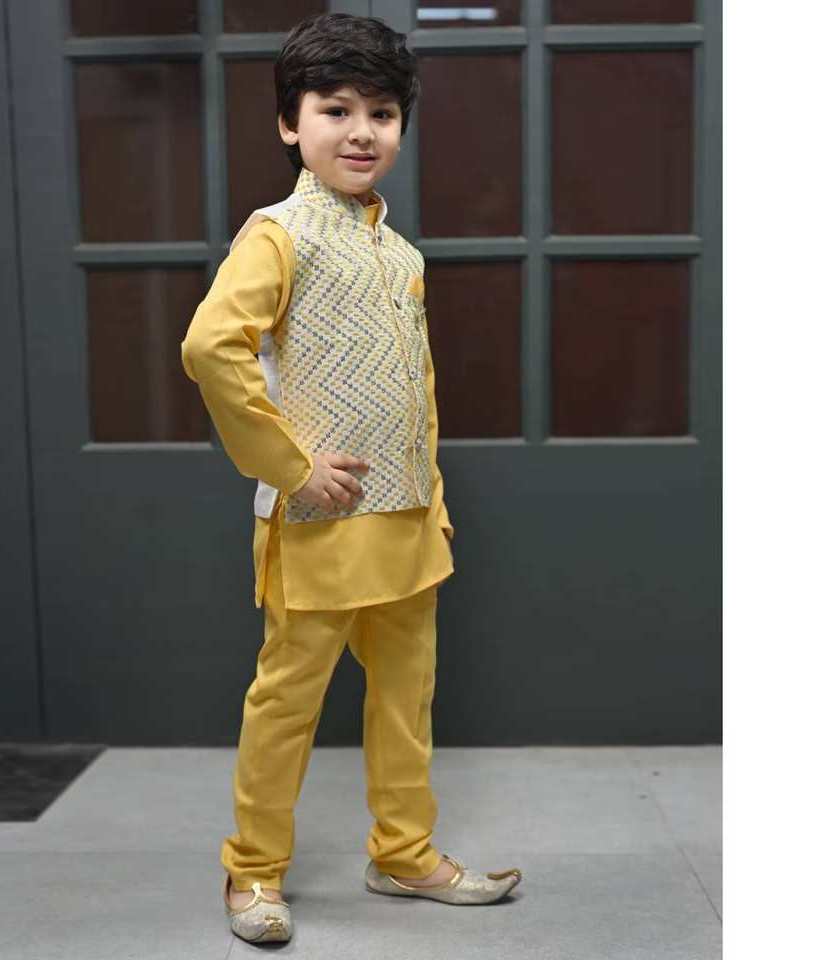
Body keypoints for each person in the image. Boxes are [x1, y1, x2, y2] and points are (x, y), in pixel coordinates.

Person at [181, 12, 523, 946]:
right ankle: (252, 870)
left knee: (407, 700)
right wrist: (291, 467)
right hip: (317, 523)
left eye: (382, 112)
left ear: (401, 127)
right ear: (290, 123)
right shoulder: (278, 236)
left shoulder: (401, 254)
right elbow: (211, 347)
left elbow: (418, 391)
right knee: (287, 703)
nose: (362, 131)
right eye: (336, 110)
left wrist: (434, 501)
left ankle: (403, 853)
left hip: (408, 523)